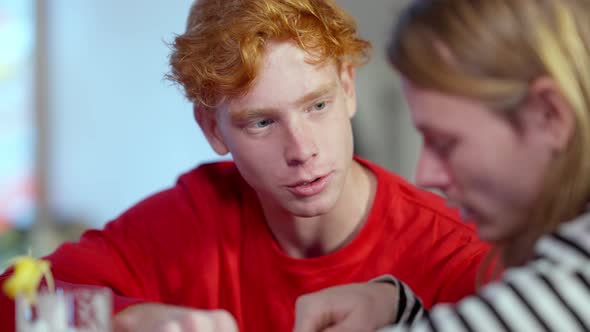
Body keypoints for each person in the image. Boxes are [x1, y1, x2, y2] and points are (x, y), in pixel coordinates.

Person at [0, 1, 491, 331]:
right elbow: (13, 305)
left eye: (316, 105)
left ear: (347, 87)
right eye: (261, 122)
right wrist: (124, 320)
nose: (302, 150)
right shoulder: (192, 216)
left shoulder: (453, 253)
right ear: (213, 131)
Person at [293, 0, 590, 331]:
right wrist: (398, 306)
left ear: (549, 115)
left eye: (446, 143)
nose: (426, 175)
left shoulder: (569, 285)